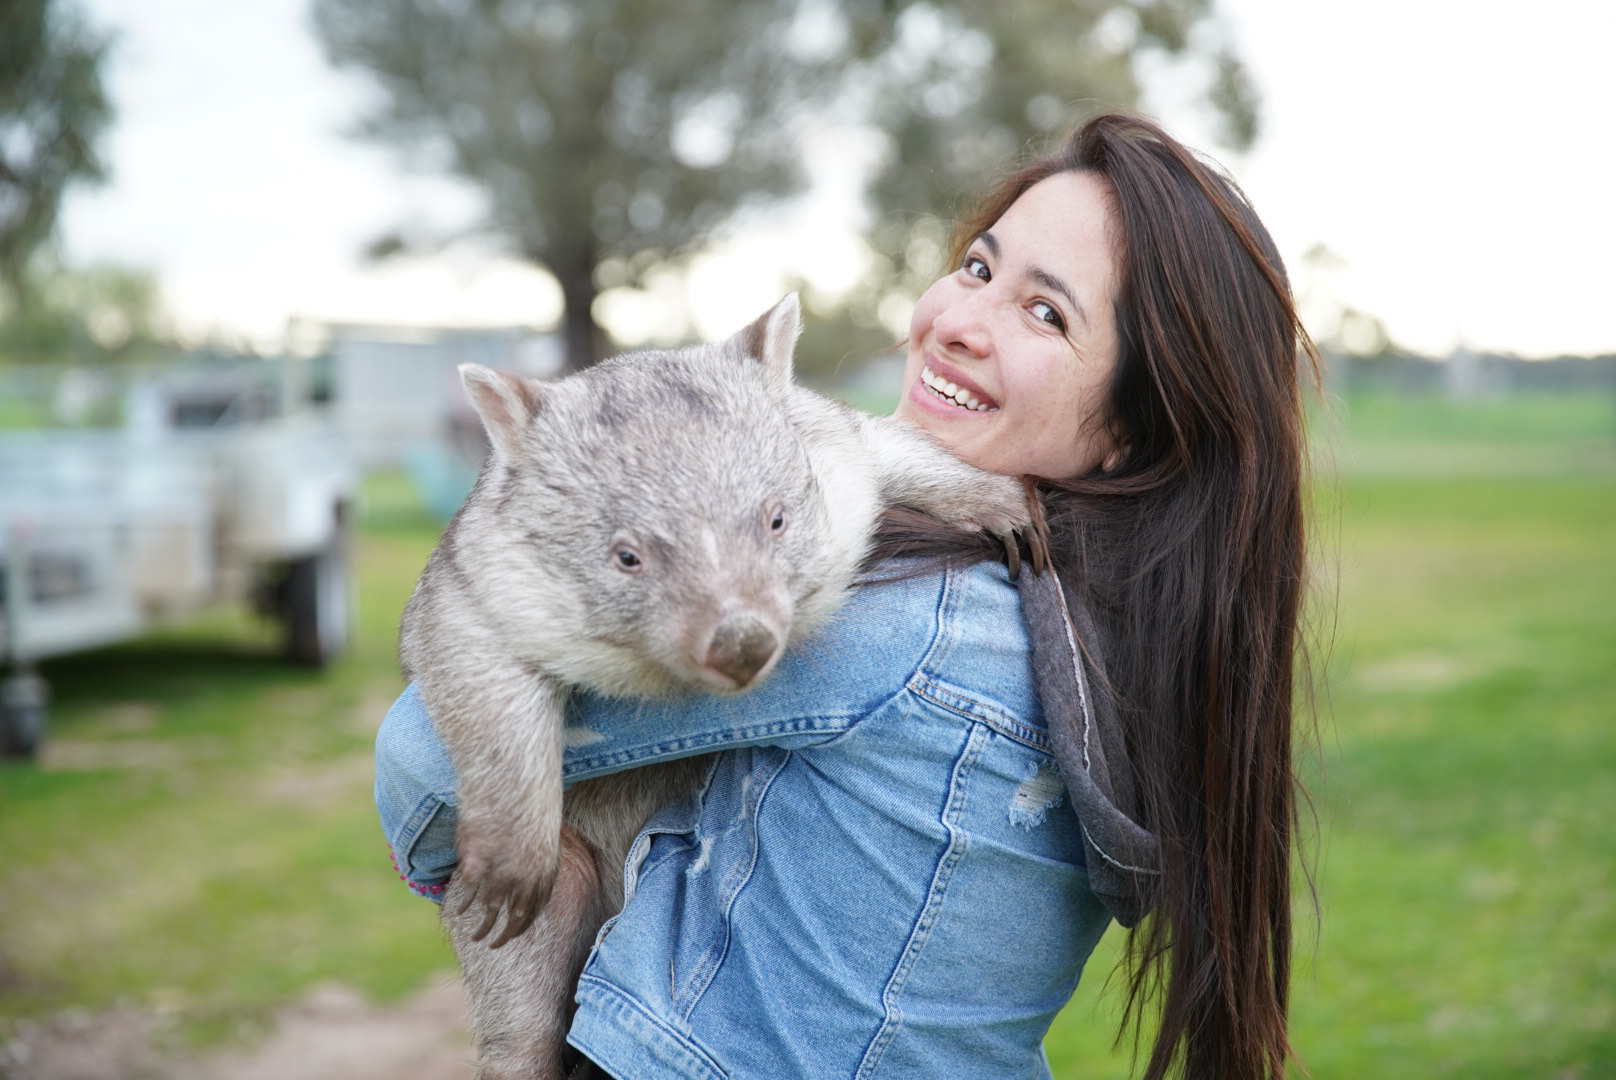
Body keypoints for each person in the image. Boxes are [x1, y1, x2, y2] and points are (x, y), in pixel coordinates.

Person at [376, 111, 1313, 1080]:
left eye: (1046, 313)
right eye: (978, 268)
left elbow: (416, 766)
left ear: (1132, 425)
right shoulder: (1093, 616)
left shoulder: (911, 625)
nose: (958, 322)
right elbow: (853, 450)